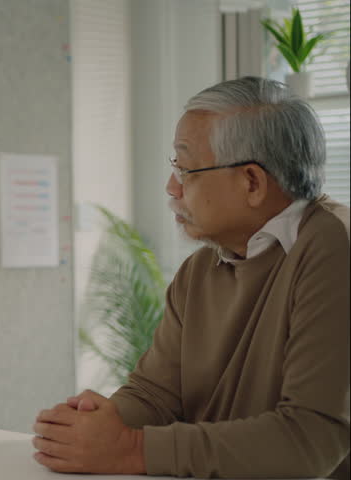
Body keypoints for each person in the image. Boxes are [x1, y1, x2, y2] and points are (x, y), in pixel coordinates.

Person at [32, 76, 349, 479]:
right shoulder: (199, 270)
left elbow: (309, 441)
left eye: (186, 170)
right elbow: (157, 394)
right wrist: (100, 421)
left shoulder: (335, 249)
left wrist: (131, 449)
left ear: (251, 182)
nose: (171, 187)